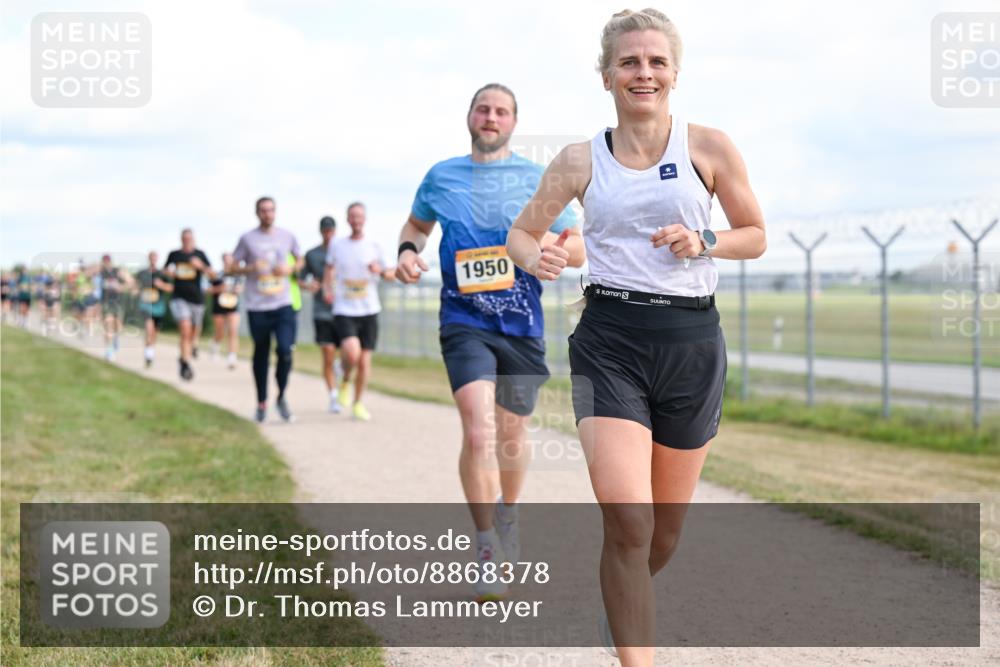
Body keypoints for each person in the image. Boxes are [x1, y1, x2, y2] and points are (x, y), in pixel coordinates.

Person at [506, 10, 767, 664]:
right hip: (609, 340)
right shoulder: (577, 159)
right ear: (606, 76)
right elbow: (522, 233)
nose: (642, 73)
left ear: (674, 73)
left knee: (663, 535)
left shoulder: (709, 147)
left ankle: (622, 606)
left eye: (654, 62)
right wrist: (534, 254)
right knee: (629, 521)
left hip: (690, 344)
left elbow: (755, 234)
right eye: (628, 62)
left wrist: (704, 238)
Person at [395, 83, 583, 600]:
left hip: (522, 326)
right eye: (484, 108)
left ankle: (508, 516)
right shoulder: (441, 175)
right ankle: (484, 549)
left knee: (511, 437)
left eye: (501, 111)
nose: (491, 117)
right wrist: (409, 254)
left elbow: (578, 246)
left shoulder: (533, 178)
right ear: (470, 117)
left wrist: (552, 246)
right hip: (463, 319)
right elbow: (415, 227)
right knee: (478, 433)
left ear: (514, 122)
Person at [229, 196, 303, 423]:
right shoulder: (247, 239)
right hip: (257, 306)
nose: (267, 214)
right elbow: (231, 266)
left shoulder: (287, 236)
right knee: (261, 352)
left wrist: (289, 268)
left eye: (271, 210)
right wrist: (251, 267)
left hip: (282, 304)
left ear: (275, 212)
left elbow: (300, 261)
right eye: (263, 210)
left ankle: (281, 396)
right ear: (257, 213)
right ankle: (261, 402)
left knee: (285, 350)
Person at [323, 203, 395, 421]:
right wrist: (327, 287)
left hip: (369, 309)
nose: (356, 220)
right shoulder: (337, 244)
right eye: (352, 216)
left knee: (364, 361)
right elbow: (329, 268)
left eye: (359, 216)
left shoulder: (374, 244)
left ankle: (358, 403)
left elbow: (391, 273)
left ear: (365, 219)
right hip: (344, 308)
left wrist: (380, 271)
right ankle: (345, 379)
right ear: (347, 219)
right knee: (352, 352)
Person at [301, 215, 343, 413]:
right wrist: (311, 285)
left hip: (343, 310)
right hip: (322, 311)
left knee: (349, 354)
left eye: (331, 231)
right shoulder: (312, 254)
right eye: (325, 231)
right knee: (327, 354)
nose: (328, 235)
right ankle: (333, 397)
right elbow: (301, 280)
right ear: (321, 232)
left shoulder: (344, 251)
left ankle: (340, 370)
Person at [164, 229, 214, 380]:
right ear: (181, 239)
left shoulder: (200, 254)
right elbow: (165, 269)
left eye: (189, 238)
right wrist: (170, 273)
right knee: (185, 330)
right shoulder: (175, 254)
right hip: (179, 297)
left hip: (196, 298)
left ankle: (183, 357)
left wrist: (201, 267)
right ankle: (186, 365)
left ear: (193, 239)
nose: (187, 241)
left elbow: (212, 274)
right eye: (184, 238)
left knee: (193, 333)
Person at [136, 251, 174, 368]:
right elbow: (135, 286)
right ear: (148, 258)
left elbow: (171, 288)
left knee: (154, 333)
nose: (153, 259)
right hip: (145, 305)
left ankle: (150, 352)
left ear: (157, 259)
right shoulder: (142, 273)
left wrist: (161, 285)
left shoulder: (162, 274)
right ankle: (148, 355)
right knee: (149, 329)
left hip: (158, 307)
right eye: (151, 257)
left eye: (155, 257)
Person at [207, 253, 243, 369]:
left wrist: (239, 290)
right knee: (220, 332)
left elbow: (242, 287)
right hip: (219, 307)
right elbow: (208, 290)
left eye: (230, 260)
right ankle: (215, 345)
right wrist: (219, 289)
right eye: (226, 260)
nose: (228, 262)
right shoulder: (217, 275)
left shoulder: (237, 275)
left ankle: (232, 357)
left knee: (233, 331)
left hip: (232, 306)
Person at [98, 254, 134, 360]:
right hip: (105, 302)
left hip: (118, 302)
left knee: (117, 326)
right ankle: (109, 351)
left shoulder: (117, 271)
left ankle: (115, 338)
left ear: (110, 262)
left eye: (107, 261)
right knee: (108, 324)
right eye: (104, 261)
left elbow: (131, 282)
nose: (106, 263)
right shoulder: (101, 272)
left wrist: (121, 287)